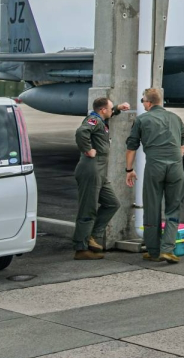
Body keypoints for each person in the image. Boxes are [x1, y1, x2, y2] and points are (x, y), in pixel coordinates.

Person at [125, 89, 184, 263]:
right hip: (176, 167)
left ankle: (153, 251)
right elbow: (182, 145)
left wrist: (129, 170)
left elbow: (131, 147)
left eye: (142, 100)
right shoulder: (176, 118)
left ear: (149, 103)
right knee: (173, 208)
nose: (142, 103)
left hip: (155, 167)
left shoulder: (142, 119)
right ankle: (168, 249)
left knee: (152, 207)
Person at [72, 96, 130, 260]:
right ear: (102, 110)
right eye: (110, 109)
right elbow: (81, 132)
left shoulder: (100, 118)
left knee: (112, 203)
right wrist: (88, 149)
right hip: (91, 169)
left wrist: (118, 107)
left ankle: (91, 237)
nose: (112, 111)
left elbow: (110, 113)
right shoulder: (93, 120)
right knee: (87, 209)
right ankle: (81, 248)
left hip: (100, 171)